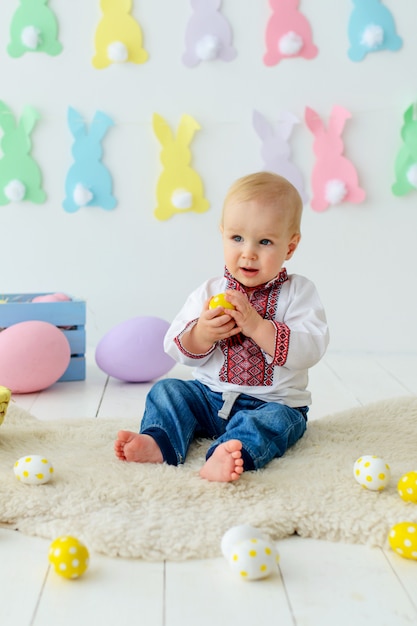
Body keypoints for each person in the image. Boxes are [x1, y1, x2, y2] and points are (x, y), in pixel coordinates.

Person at [114, 171, 329, 482]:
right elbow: (174, 345)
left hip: (273, 402)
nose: (248, 252)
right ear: (223, 234)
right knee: (168, 390)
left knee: (275, 423)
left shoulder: (299, 293)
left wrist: (258, 326)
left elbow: (311, 347)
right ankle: (160, 442)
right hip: (209, 397)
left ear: (290, 247)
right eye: (237, 238)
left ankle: (227, 454)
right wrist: (202, 333)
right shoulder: (210, 291)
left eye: (265, 241)